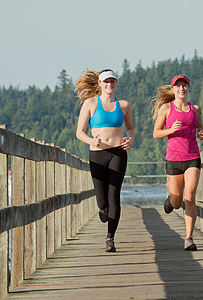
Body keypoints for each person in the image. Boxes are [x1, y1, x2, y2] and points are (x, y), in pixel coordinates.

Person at [75, 69, 135, 252]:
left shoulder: (123, 105)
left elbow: (131, 128)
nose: (110, 85)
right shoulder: (90, 103)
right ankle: (103, 209)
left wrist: (130, 140)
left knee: (114, 194)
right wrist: (91, 140)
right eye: (106, 82)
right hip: (98, 154)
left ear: (116, 83)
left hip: (118, 153)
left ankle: (110, 238)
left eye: (113, 81)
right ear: (100, 84)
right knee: (102, 200)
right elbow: (79, 132)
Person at [152, 75, 203, 251]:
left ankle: (189, 238)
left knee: (189, 197)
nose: (182, 89)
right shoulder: (166, 108)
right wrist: (170, 130)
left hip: (192, 157)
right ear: (173, 89)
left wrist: (201, 133)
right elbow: (156, 133)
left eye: (185, 86)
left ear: (188, 88)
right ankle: (171, 201)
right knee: (177, 202)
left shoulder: (195, 109)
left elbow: (199, 127)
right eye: (178, 86)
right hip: (174, 159)